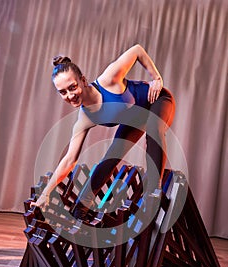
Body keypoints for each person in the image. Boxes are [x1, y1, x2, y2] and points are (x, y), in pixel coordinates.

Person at [31, 44, 175, 222]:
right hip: (136, 118)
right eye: (63, 92)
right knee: (111, 156)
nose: (70, 95)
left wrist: (157, 78)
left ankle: (153, 194)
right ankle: (80, 210)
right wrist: (46, 193)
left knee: (154, 129)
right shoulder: (84, 118)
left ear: (83, 80)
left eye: (72, 87)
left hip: (158, 100)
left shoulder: (108, 79)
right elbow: (69, 159)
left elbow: (137, 50)